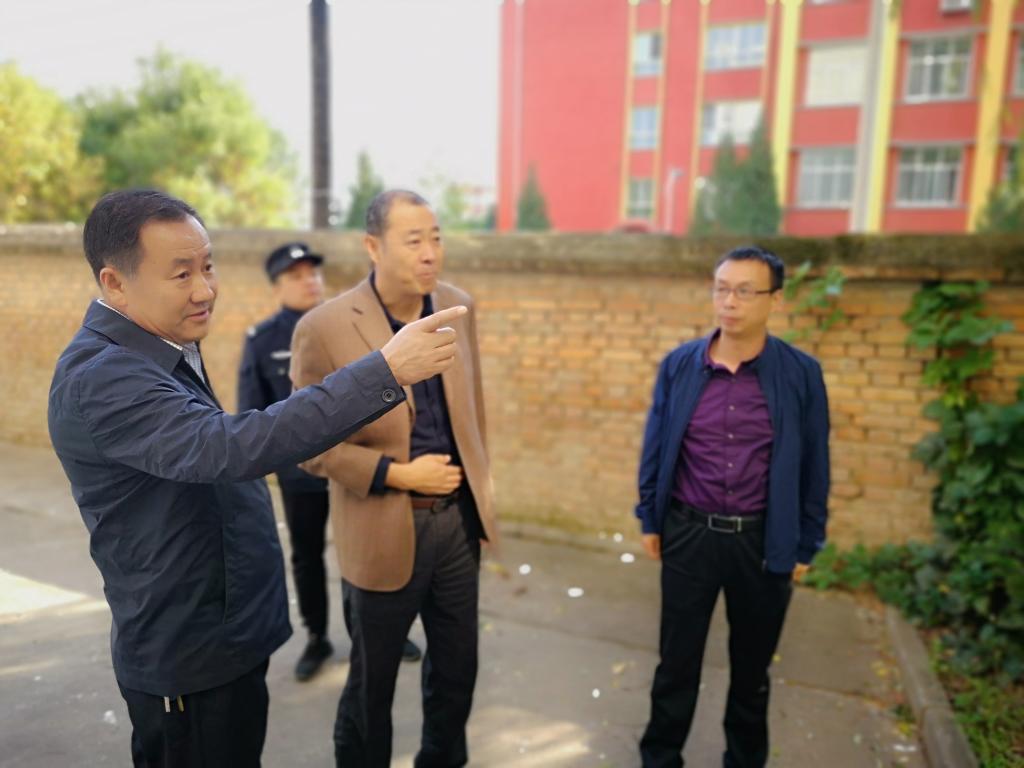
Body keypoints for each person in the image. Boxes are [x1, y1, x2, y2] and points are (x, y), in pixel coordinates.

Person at [47, 188, 466, 768]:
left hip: (225, 637)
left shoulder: (155, 345)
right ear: (115, 283)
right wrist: (384, 371)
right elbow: (231, 446)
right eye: (181, 274)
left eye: (208, 266)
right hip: (189, 655)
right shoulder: (104, 377)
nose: (204, 289)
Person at [290, 189, 497, 768]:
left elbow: (472, 411)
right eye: (413, 240)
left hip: (456, 526)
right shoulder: (325, 327)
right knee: (370, 687)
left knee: (457, 672)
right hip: (381, 525)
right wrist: (397, 474)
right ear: (373, 246)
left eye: (436, 237)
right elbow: (307, 444)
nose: (430, 252)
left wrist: (480, 497)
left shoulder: (456, 306)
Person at [635, 246, 830, 768]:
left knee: (751, 673)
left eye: (745, 291)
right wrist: (650, 516)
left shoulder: (801, 374)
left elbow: (815, 462)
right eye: (722, 289)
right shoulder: (681, 365)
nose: (730, 302)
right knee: (675, 665)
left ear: (775, 300)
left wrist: (807, 540)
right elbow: (656, 445)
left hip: (763, 542)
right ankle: (660, 758)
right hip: (689, 534)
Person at [237, 242, 421, 681]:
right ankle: (317, 636)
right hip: (302, 474)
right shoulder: (263, 340)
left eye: (313, 273)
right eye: (297, 276)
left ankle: (377, 630)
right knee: (307, 556)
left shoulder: (349, 325)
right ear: (277, 286)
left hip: (358, 466)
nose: (310, 282)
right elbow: (252, 410)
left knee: (366, 551)